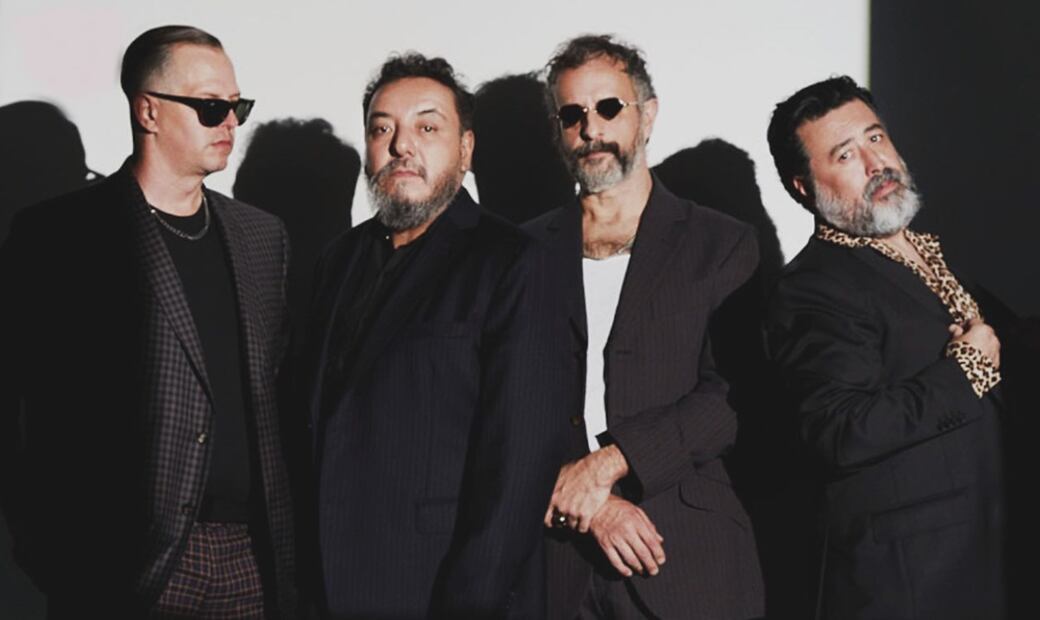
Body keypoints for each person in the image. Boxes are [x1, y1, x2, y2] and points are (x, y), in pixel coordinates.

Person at [0, 25, 296, 618]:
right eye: (211, 107)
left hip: (251, 556)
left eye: (237, 106)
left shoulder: (263, 237)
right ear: (148, 111)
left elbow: (279, 392)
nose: (230, 123)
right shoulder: (60, 235)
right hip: (121, 561)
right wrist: (42, 544)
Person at [299, 53, 569, 618]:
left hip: (442, 590)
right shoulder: (336, 260)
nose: (401, 146)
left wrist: (469, 604)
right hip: (325, 589)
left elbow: (519, 462)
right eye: (382, 129)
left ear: (465, 150)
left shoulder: (514, 262)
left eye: (426, 128)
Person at [526, 35, 764, 620]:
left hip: (686, 559)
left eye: (609, 108)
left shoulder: (720, 242)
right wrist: (587, 499)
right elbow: (500, 401)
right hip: (554, 564)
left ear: (648, 115)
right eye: (572, 115)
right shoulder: (520, 253)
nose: (591, 129)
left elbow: (736, 395)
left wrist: (609, 464)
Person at [765, 75, 1006, 619]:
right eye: (846, 154)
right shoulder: (814, 287)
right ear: (804, 186)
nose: (877, 164)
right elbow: (838, 430)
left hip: (986, 557)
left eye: (875, 138)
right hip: (910, 582)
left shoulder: (927, 254)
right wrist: (964, 371)